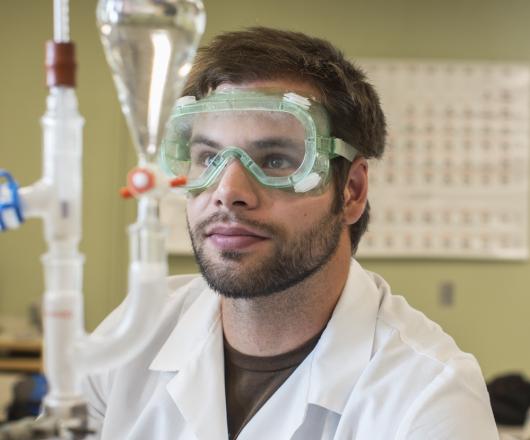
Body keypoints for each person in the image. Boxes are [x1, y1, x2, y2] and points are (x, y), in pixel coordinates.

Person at [84, 27, 498, 439]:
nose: (227, 193)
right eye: (207, 157)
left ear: (352, 192)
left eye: (277, 160)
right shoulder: (135, 335)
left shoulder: (431, 398)